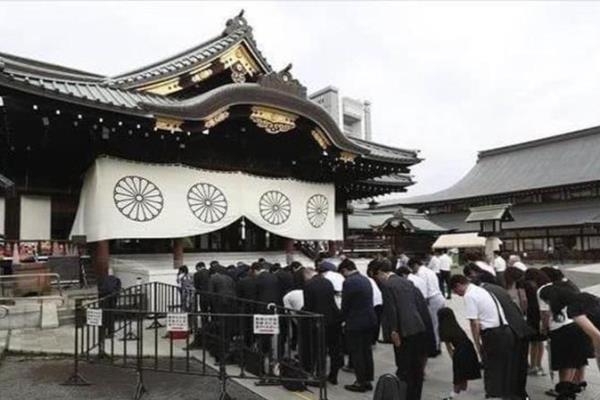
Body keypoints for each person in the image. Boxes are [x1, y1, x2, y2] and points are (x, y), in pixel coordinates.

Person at [449, 274, 529, 400]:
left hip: (493, 334)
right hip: (506, 330)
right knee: (506, 367)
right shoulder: (481, 290)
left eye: (455, 291)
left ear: (459, 285)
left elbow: (474, 322)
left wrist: (477, 344)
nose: (457, 294)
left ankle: (494, 395)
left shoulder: (470, 295)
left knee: (492, 368)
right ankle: (507, 395)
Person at [375, 259, 431, 400]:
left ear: (381, 273)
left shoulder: (387, 285)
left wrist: (394, 331)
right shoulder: (406, 281)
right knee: (416, 367)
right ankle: (415, 395)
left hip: (403, 330)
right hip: (417, 326)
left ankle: (405, 395)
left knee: (404, 367)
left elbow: (391, 310)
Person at [538, 278, 591, 399]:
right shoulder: (570, 302)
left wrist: (544, 329)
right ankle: (569, 388)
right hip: (576, 329)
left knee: (564, 363)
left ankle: (564, 392)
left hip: (562, 333)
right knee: (573, 361)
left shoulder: (556, 315)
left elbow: (547, 318)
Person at [339, 259, 376, 392]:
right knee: (367, 352)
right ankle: (367, 380)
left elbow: (346, 304)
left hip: (355, 322)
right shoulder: (365, 279)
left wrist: (341, 320)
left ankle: (360, 381)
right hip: (369, 320)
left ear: (345, 270)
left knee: (357, 353)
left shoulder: (348, 282)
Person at [302, 265, 343, 385]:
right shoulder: (327, 282)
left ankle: (319, 376)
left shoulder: (308, 285)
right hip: (334, 319)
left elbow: (308, 306)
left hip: (319, 321)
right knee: (334, 349)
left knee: (320, 349)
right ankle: (333, 375)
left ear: (306, 275)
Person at [437, 307, 481, 400]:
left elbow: (449, 348)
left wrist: (454, 359)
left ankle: (453, 395)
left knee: (458, 375)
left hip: (459, 351)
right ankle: (462, 392)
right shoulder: (456, 327)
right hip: (469, 347)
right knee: (464, 374)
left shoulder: (444, 329)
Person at [411, 257, 445, 354]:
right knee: (438, 324)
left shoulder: (421, 273)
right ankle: (438, 345)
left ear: (415, 265)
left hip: (432, 299)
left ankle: (434, 348)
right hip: (439, 297)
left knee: (433, 324)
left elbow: (423, 290)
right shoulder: (429, 271)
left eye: (412, 269)